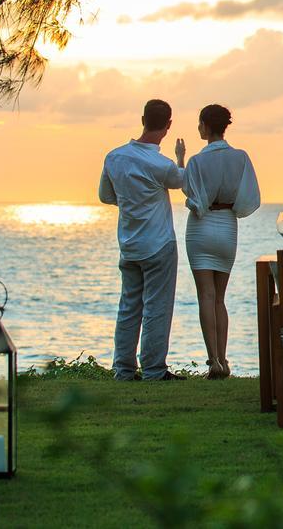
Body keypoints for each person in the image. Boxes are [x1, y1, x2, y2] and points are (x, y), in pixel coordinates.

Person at [98, 99, 187, 381]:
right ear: (168, 125)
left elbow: (106, 196)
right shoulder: (162, 165)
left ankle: (123, 368)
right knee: (157, 307)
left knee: (129, 306)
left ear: (142, 119)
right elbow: (181, 181)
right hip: (158, 244)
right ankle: (153, 368)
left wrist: (130, 202)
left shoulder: (114, 157)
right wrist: (181, 157)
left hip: (129, 243)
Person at [178, 104, 260, 379]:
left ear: (205, 125)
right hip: (226, 225)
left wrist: (180, 159)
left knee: (206, 295)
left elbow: (188, 188)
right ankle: (224, 360)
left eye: (199, 123)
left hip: (201, 227)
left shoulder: (198, 161)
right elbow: (248, 195)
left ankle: (213, 360)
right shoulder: (240, 157)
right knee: (220, 298)